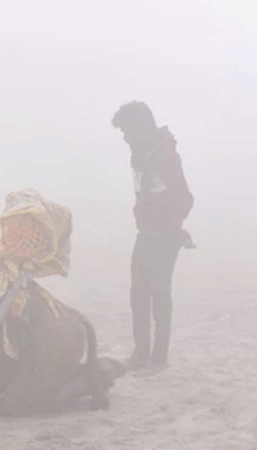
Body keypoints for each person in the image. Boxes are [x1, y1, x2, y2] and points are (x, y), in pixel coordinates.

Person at [111, 101, 195, 377]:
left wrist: (172, 227)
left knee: (159, 294)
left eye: (127, 130)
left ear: (143, 125)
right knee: (138, 294)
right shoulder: (140, 153)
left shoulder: (166, 155)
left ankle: (159, 356)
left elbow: (184, 198)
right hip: (145, 234)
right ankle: (140, 352)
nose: (124, 137)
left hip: (164, 236)